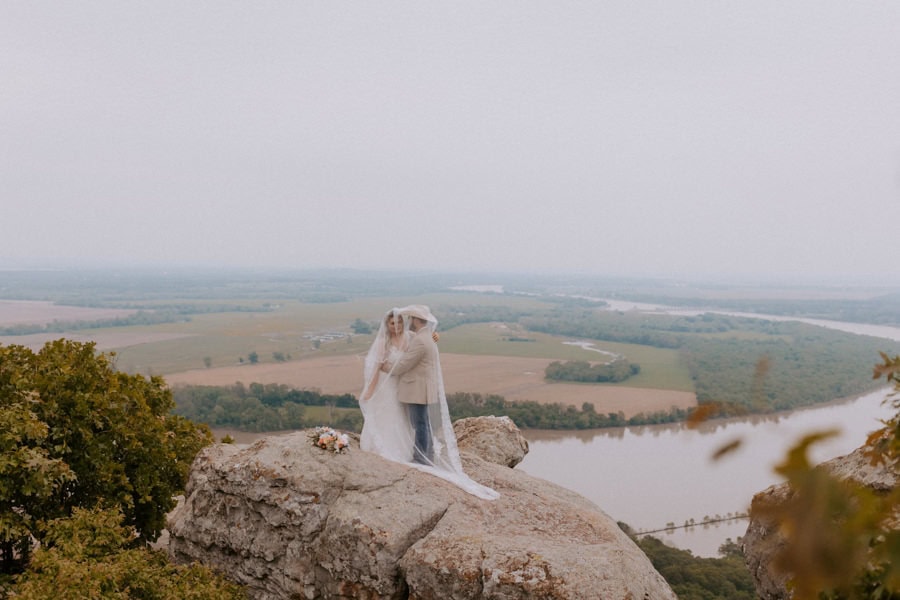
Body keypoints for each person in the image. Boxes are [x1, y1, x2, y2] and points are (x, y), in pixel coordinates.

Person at [360, 304, 499, 500]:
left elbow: (406, 360)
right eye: (393, 323)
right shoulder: (387, 341)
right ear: (387, 324)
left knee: (415, 421)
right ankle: (402, 449)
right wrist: (371, 388)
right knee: (402, 418)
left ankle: (419, 456)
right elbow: (375, 365)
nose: (398, 326)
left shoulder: (412, 337)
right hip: (393, 384)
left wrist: (432, 338)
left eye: (400, 321)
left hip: (405, 383)